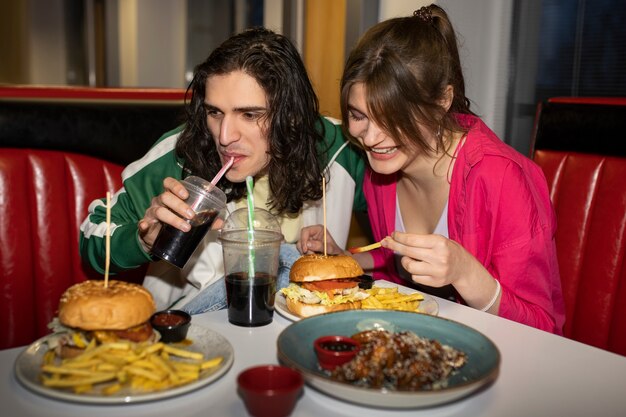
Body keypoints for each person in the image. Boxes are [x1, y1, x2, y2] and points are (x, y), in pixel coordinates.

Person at [297, 5, 565, 334]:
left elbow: (543, 328)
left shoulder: (503, 179)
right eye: (359, 115)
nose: (371, 137)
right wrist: (346, 258)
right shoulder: (380, 173)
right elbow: (400, 268)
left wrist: (465, 272)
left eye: (393, 117)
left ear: (442, 101)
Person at [79, 27, 366, 313]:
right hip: (196, 333)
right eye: (215, 112)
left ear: (290, 115)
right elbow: (92, 238)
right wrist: (142, 240)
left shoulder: (340, 147)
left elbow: (391, 237)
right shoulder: (181, 154)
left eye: (249, 114)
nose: (225, 136)